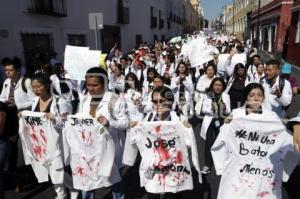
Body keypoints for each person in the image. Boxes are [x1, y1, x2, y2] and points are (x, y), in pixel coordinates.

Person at [211, 83, 298, 199]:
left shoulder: (272, 117)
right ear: (246, 97)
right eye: (252, 95)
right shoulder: (236, 115)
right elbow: (220, 142)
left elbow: (287, 137)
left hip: (263, 172)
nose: (256, 98)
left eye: (260, 95)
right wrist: (223, 167)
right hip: (237, 170)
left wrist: (296, 125)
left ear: (264, 98)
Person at [124, 86, 199, 199]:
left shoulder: (179, 120)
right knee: (152, 193)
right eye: (155, 101)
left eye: (162, 101)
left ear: (170, 102)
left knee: (173, 195)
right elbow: (136, 139)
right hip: (153, 169)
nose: (157, 105)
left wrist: (187, 130)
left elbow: (187, 145)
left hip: (173, 168)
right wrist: (133, 127)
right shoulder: (147, 119)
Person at [77, 67, 128, 199]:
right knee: (88, 184)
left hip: (109, 150)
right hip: (88, 150)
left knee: (114, 183)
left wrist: (109, 123)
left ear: (104, 83)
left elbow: (125, 123)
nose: (91, 88)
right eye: (88, 85)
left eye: (95, 85)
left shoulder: (114, 100)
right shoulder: (85, 99)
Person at [200, 77, 231, 174]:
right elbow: (203, 109)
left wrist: (224, 107)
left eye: (220, 85)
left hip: (221, 122)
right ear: (212, 86)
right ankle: (207, 165)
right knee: (208, 143)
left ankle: (222, 164)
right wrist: (212, 108)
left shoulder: (226, 96)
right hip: (210, 121)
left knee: (221, 143)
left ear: (223, 87)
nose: (217, 87)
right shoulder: (208, 95)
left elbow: (228, 111)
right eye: (216, 85)